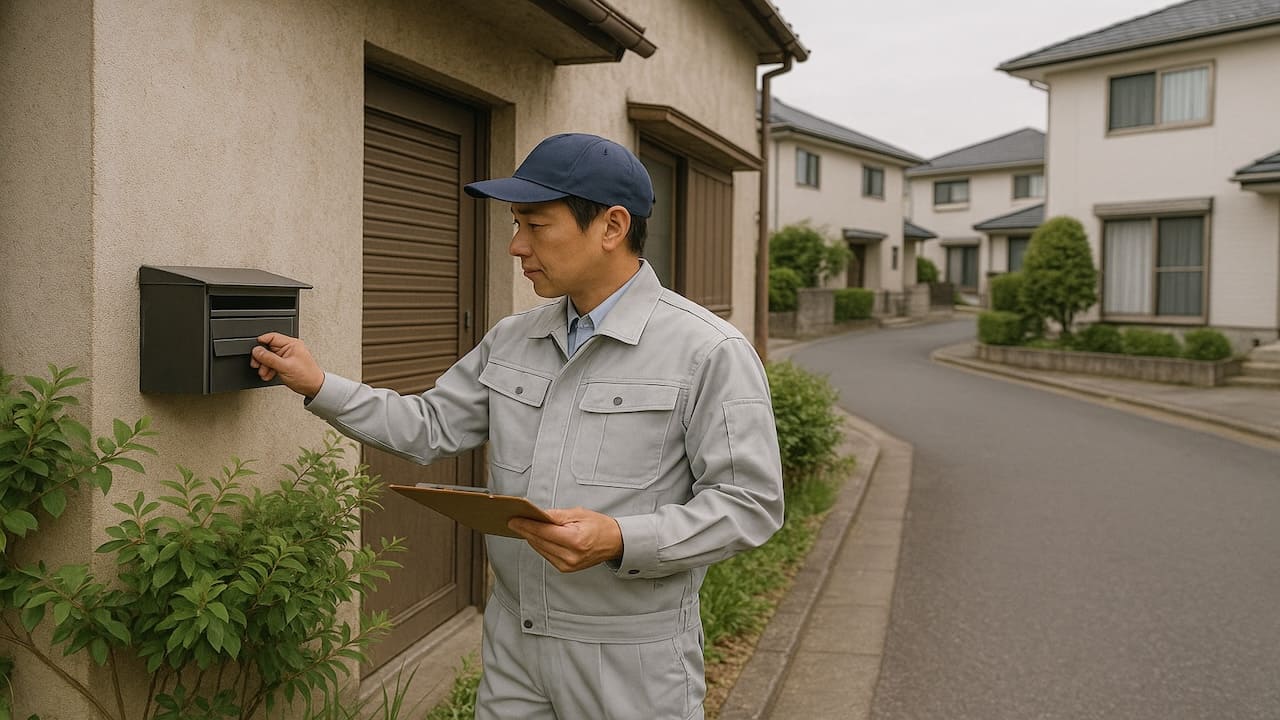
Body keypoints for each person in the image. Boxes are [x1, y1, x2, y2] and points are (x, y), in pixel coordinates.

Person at [249, 132, 783, 720]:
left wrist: (620, 538)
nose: (515, 246)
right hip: (514, 641)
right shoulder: (513, 338)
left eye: (536, 225)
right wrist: (318, 383)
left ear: (612, 226)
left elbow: (749, 504)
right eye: (515, 225)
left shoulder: (708, 351)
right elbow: (428, 426)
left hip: (631, 655)